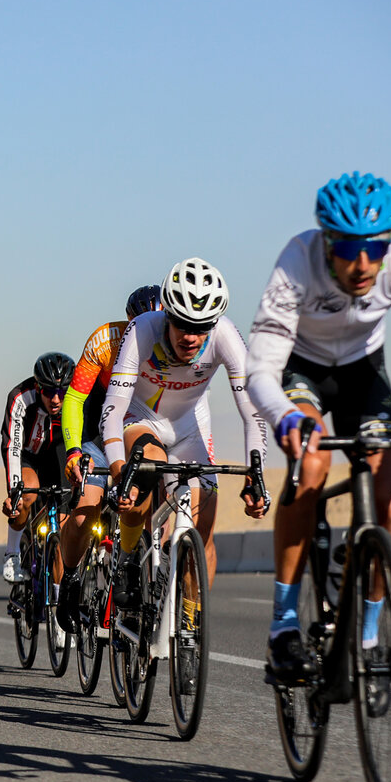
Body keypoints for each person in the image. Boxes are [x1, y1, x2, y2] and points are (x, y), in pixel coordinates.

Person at [246, 171, 391, 680]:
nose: (363, 263)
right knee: (311, 465)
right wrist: (283, 415)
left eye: (375, 248)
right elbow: (259, 369)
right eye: (350, 248)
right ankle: (283, 627)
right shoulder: (297, 261)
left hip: (363, 372)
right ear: (326, 241)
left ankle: (368, 633)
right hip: (301, 367)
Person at [102, 259, 269, 615]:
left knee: (203, 527)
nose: (191, 337)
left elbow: (252, 412)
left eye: (202, 326)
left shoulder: (225, 335)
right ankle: (130, 558)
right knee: (148, 468)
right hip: (142, 420)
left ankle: (190, 623)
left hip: (191, 430)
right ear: (167, 315)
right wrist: (119, 471)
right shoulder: (142, 329)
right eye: (182, 325)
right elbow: (113, 410)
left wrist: (257, 475)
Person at [55, 285, 161, 629]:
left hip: (140, 430)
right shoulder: (105, 341)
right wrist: (73, 451)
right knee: (86, 513)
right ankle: (70, 580)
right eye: (137, 324)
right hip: (97, 433)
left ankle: (134, 570)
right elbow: (73, 399)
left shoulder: (171, 346)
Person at [0, 352, 75, 584]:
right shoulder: (21, 397)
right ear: (37, 387)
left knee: (63, 531)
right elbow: (13, 447)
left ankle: (58, 600)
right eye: (49, 392)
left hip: (58, 456)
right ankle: (12, 552)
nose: (55, 399)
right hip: (27, 455)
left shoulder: (76, 398)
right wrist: (15, 490)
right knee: (27, 493)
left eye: (61, 393)